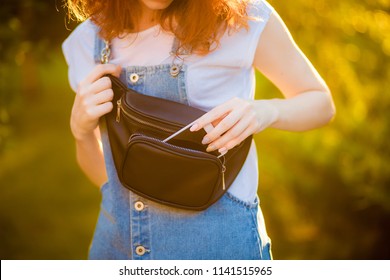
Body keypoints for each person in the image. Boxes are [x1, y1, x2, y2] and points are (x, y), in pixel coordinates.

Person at [62, 0, 335, 260]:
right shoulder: (89, 41)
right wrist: (81, 132)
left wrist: (265, 111)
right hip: (117, 250)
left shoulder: (241, 17)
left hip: (219, 247)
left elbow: (320, 102)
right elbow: (108, 181)